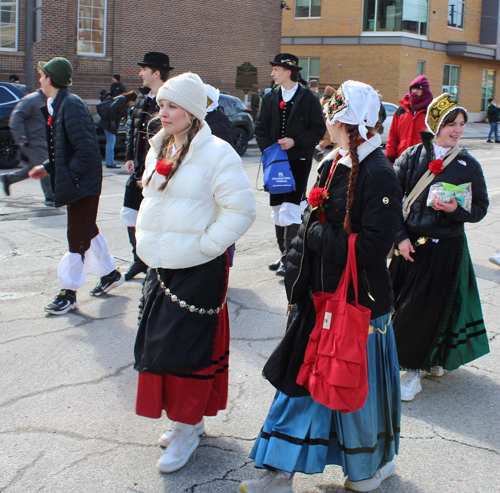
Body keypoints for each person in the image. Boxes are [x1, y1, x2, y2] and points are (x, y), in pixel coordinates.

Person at [239, 81, 402, 493]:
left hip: (356, 305)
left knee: (353, 393)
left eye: (333, 114)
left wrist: (313, 237)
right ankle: (281, 469)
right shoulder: (333, 160)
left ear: (349, 121)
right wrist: (298, 281)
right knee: (301, 385)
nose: (326, 119)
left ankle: (369, 468)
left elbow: (372, 247)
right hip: (319, 298)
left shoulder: (380, 173)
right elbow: (317, 223)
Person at [133, 72, 256, 474]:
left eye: (171, 106)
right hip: (162, 265)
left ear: (192, 111)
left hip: (198, 269)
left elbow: (241, 211)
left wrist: (205, 246)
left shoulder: (219, 153)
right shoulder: (161, 147)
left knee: (187, 352)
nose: (162, 111)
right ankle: (188, 421)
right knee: (159, 348)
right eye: (161, 104)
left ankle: (186, 428)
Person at [390, 93, 490, 402]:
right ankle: (419, 359)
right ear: (435, 123)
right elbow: (391, 202)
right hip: (409, 246)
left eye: (462, 124)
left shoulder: (468, 164)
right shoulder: (410, 156)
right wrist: (400, 238)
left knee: (423, 310)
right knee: (397, 306)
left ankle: (413, 372)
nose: (457, 130)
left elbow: (480, 208)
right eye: (451, 124)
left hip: (444, 248)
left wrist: (453, 210)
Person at [29, 57, 124, 314]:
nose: (39, 79)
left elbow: (86, 151)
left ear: (50, 79)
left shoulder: (70, 105)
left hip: (83, 183)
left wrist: (70, 178)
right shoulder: (58, 104)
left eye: (41, 75)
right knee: (87, 230)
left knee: (76, 236)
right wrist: (47, 167)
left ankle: (68, 293)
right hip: (79, 181)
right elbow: (64, 148)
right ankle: (111, 273)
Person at [255, 53, 325, 277]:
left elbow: (317, 129)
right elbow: (260, 128)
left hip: (299, 160)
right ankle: (283, 253)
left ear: (288, 72)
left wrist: (295, 141)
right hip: (276, 161)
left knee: (291, 207)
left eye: (275, 69)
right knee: (276, 207)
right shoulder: (270, 97)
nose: (272, 73)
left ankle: (291, 257)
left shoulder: (308, 98)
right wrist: (271, 150)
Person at [122, 52, 172, 281]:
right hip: (140, 168)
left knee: (157, 217)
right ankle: (138, 260)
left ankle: (157, 262)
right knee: (129, 212)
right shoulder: (143, 98)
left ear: (157, 73)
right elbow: (133, 131)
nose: (140, 73)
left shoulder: (171, 99)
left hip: (161, 169)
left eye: (144, 69)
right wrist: (130, 156)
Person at [1, 89, 54, 204]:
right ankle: (50, 197)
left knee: (34, 168)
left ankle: (8, 179)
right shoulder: (31, 100)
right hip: (32, 142)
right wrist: (20, 139)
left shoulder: (50, 100)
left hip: (44, 141)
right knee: (45, 166)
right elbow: (15, 118)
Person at [386, 75, 433, 163]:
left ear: (425, 91)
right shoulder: (401, 110)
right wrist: (390, 160)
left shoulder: (431, 111)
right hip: (402, 158)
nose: (415, 91)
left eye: (418, 89)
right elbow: (392, 137)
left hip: (422, 160)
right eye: (413, 89)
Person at [97, 90, 138, 169]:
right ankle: (110, 162)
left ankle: (110, 162)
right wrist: (112, 121)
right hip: (109, 124)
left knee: (111, 142)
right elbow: (112, 108)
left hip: (109, 123)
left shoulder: (123, 100)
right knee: (111, 142)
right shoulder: (122, 100)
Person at [314, 85, 335, 161]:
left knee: (323, 139)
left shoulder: (321, 99)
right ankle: (318, 148)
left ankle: (320, 152)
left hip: (320, 122)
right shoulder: (328, 101)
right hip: (327, 123)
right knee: (328, 139)